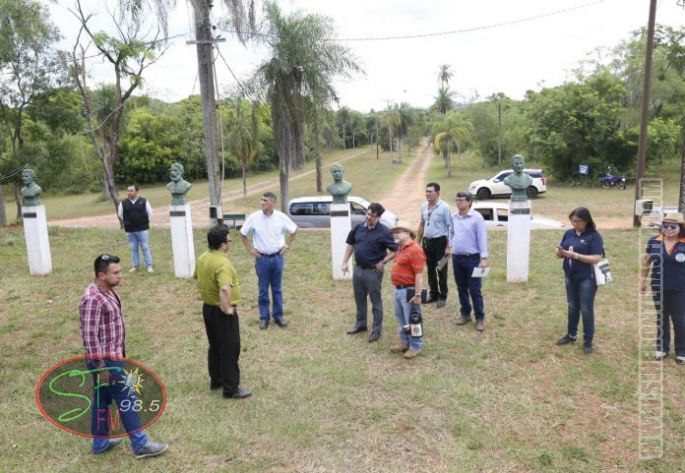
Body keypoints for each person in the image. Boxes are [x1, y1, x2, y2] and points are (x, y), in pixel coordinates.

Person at [79, 254, 168, 458]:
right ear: (101, 275)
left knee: (102, 400)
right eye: (115, 273)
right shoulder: (92, 299)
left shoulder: (107, 291)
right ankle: (140, 444)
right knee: (127, 397)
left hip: (112, 357)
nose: (120, 275)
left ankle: (100, 443)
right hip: (106, 362)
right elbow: (89, 337)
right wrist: (101, 367)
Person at [194, 225, 252, 398]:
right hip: (221, 312)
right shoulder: (222, 262)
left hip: (208, 309)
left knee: (215, 346)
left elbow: (197, 279)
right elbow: (225, 289)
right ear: (222, 244)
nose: (229, 244)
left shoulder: (203, 258)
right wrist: (226, 309)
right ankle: (230, 389)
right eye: (228, 241)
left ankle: (217, 380)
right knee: (229, 348)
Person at [341, 202, 398, 342]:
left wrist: (383, 261)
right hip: (358, 269)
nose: (369, 217)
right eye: (368, 213)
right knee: (359, 298)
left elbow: (395, 250)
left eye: (372, 215)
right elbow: (351, 244)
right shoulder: (358, 227)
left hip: (373, 271)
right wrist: (344, 262)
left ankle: (376, 331)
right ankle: (361, 324)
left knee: (375, 300)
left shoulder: (384, 232)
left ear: (378, 217)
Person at [240, 192, 297, 330]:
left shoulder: (280, 217)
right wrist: (250, 249)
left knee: (277, 289)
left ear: (272, 203)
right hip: (262, 259)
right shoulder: (254, 218)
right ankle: (264, 318)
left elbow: (294, 230)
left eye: (265, 200)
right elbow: (243, 233)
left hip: (277, 258)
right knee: (263, 290)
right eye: (261, 200)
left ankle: (278, 316)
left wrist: (287, 246)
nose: (262, 202)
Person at [555, 207, 604, 354]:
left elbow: (597, 258)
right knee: (572, 306)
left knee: (586, 308)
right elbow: (561, 254)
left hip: (587, 278)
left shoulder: (594, 236)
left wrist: (575, 256)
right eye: (572, 221)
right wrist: (560, 252)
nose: (574, 224)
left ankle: (588, 341)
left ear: (586, 221)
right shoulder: (568, 233)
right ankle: (571, 335)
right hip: (570, 276)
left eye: (578, 221)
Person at [641, 212, 685, 363]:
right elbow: (646, 262)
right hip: (658, 286)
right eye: (665, 226)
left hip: (680, 288)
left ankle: (681, 351)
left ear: (681, 227)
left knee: (679, 319)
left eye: (673, 226)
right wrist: (643, 281)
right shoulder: (654, 241)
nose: (668, 229)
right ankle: (662, 348)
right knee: (661, 317)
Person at [450, 192, 489, 331]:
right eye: (457, 200)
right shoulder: (454, 217)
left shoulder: (476, 217)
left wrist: (483, 258)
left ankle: (479, 318)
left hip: (473, 258)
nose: (458, 202)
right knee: (461, 288)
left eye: (461, 200)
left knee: (475, 289)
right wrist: (450, 245)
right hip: (457, 258)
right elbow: (451, 233)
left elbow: (482, 237)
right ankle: (465, 314)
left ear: (469, 202)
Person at [390, 225, 426, 359]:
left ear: (408, 233)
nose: (395, 234)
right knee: (402, 319)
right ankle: (405, 343)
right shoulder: (401, 248)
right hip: (399, 289)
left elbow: (419, 274)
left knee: (413, 319)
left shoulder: (415, 250)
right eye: (394, 232)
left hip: (409, 290)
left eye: (398, 232)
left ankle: (416, 346)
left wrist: (417, 295)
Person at [417, 182, 451, 308]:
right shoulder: (423, 206)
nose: (427, 194)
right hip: (427, 243)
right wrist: (417, 242)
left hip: (441, 243)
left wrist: (449, 246)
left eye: (430, 191)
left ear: (437, 193)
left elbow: (450, 228)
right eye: (426, 191)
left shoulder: (445, 207)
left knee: (441, 269)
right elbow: (422, 224)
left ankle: (443, 296)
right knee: (430, 269)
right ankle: (433, 293)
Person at [117, 185, 154, 273]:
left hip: (142, 229)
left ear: (137, 192)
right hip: (130, 230)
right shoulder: (123, 203)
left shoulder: (144, 201)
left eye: (131, 191)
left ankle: (149, 265)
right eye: (128, 190)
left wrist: (142, 222)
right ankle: (135, 266)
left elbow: (150, 213)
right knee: (133, 248)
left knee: (145, 247)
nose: (129, 192)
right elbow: (120, 214)